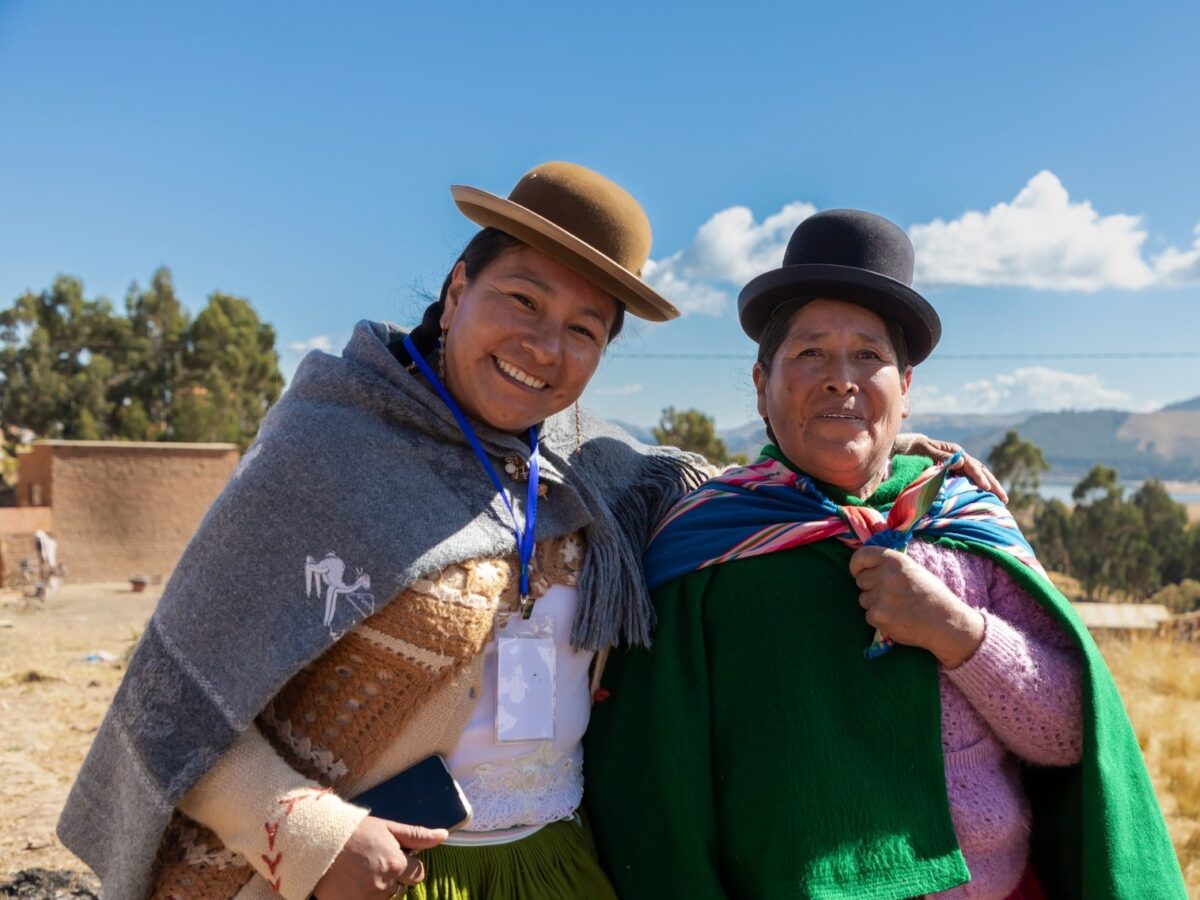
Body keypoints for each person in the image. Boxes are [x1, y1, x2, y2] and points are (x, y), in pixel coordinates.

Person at [57, 166, 992, 900]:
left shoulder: (584, 475)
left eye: (586, 328)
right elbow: (167, 701)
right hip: (374, 877)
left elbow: (735, 482)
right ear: (458, 288)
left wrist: (887, 449)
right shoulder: (328, 451)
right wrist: (308, 835)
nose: (548, 347)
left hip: (558, 866)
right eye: (523, 301)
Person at [584, 210, 1187, 899]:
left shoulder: (963, 522)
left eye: (868, 355)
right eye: (810, 352)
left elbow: (1072, 736)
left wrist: (957, 633)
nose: (842, 378)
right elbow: (657, 796)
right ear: (761, 383)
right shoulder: (708, 549)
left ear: (906, 388)